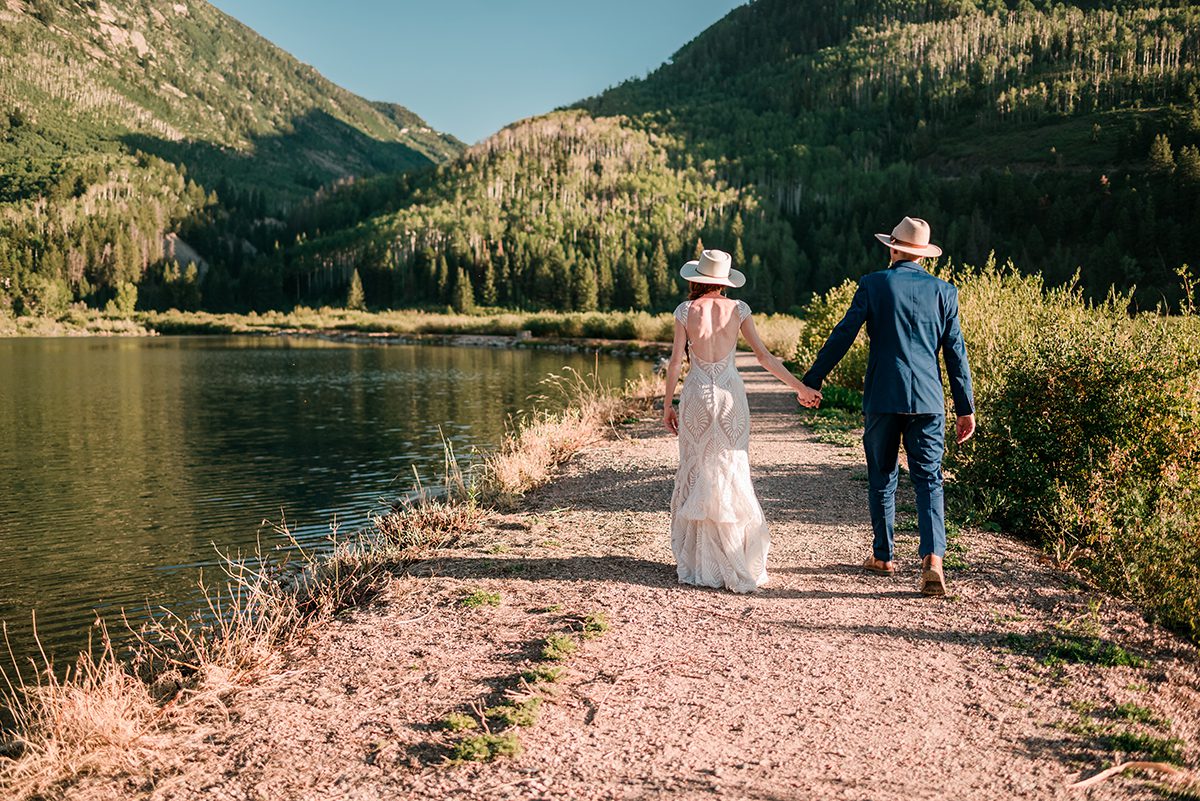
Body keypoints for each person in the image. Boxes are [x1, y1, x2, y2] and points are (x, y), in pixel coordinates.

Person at [800, 217, 975, 596]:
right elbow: (955, 353)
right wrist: (965, 407)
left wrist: (813, 378)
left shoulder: (874, 284)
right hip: (928, 400)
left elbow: (844, 332)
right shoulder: (945, 291)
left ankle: (884, 556)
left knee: (882, 473)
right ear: (923, 254)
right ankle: (932, 559)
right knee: (929, 478)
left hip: (882, 396)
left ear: (893, 248)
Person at [662, 249, 821, 593]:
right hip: (731, 397)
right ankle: (736, 554)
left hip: (696, 395)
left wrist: (666, 405)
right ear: (724, 281)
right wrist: (800, 387)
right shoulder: (739, 309)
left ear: (697, 278)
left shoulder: (686, 311)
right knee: (732, 467)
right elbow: (763, 357)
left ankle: (700, 560)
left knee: (698, 467)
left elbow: (676, 362)